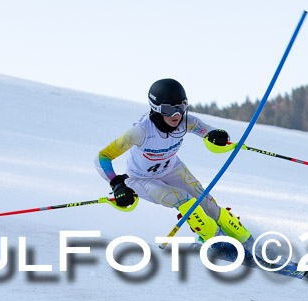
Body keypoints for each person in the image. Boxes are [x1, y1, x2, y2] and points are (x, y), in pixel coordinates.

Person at [95, 78, 252, 247]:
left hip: (173, 169)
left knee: (206, 203)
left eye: (181, 107)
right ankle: (214, 241)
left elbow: (211, 133)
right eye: (168, 109)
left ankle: (246, 239)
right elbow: (103, 157)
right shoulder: (140, 131)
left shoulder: (186, 121)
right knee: (184, 200)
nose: (176, 115)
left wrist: (218, 136)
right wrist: (117, 184)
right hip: (142, 180)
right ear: (156, 108)